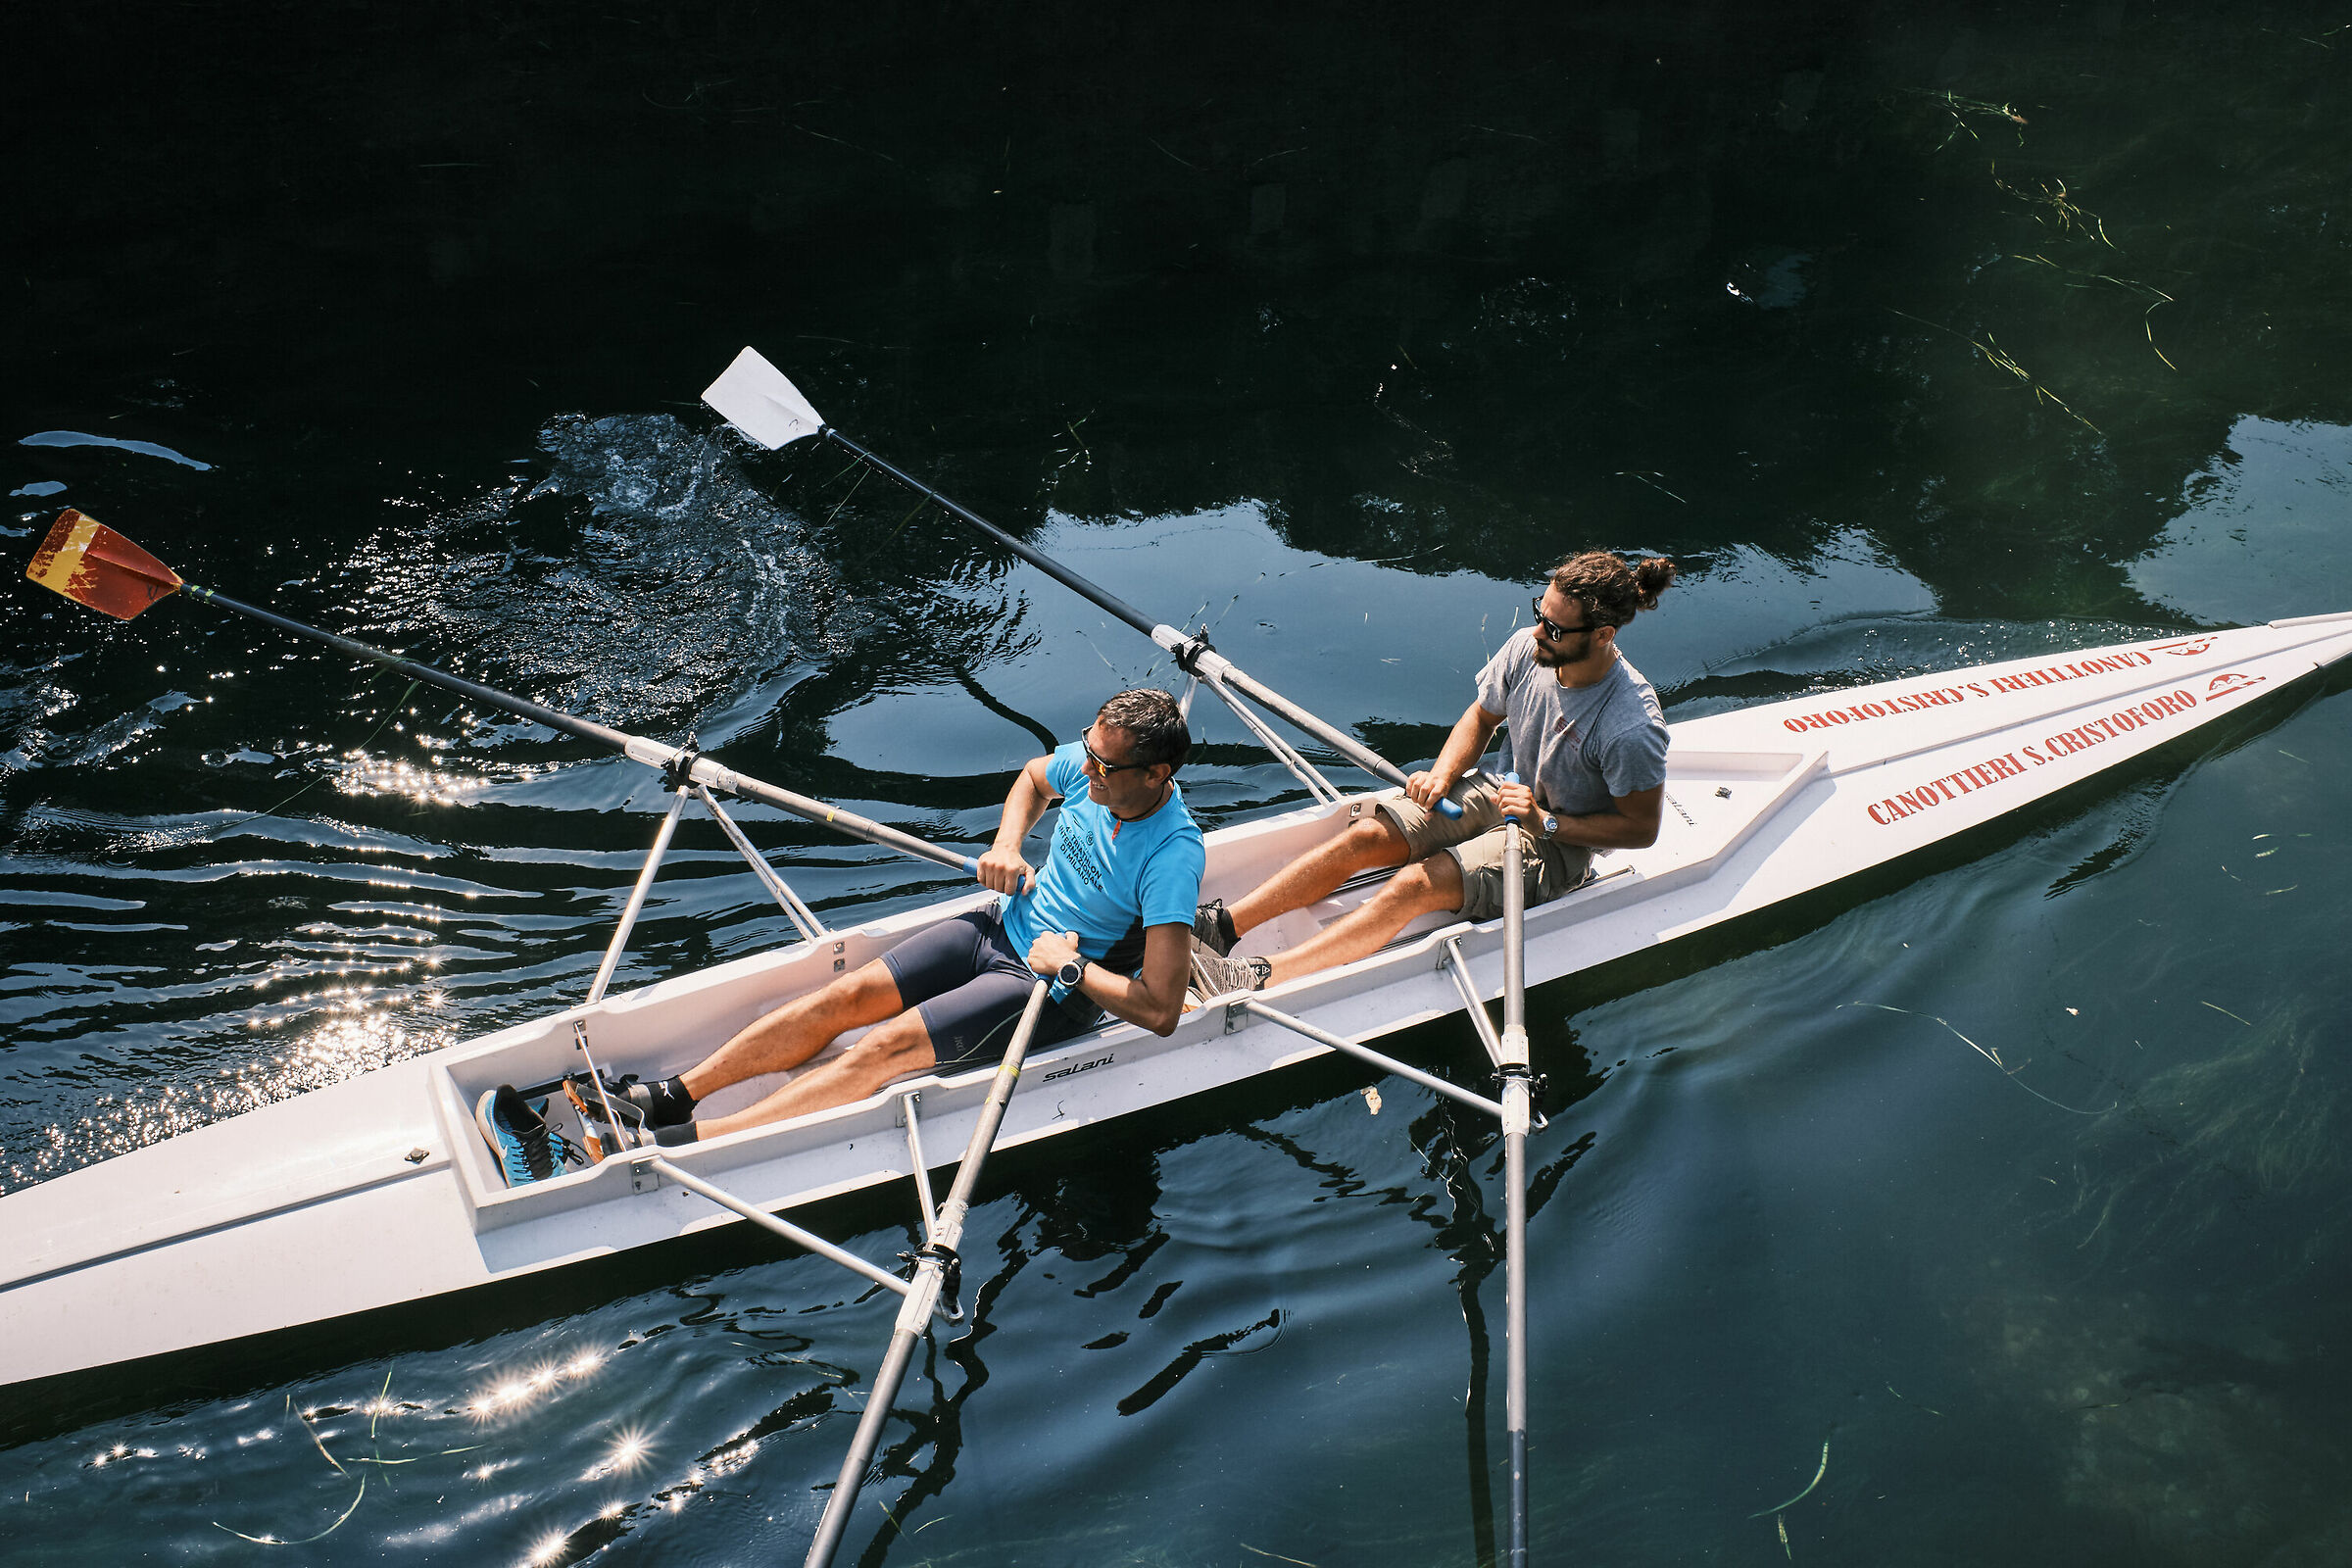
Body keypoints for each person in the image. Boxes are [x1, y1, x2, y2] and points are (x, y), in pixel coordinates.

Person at [476, 688, 1204, 1183]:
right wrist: (1009, 845)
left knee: (881, 1049)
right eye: (1090, 752)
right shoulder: (1095, 762)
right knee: (846, 995)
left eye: (1106, 766)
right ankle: (670, 1095)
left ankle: (668, 1152)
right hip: (998, 924)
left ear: (1158, 773)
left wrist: (1068, 969)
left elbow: (1160, 1009)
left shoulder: (1172, 856)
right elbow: (1033, 778)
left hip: (1047, 984)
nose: (1090, 770)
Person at [1187, 552, 1676, 999]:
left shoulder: (1631, 725)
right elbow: (1482, 717)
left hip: (1559, 840)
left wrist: (1545, 822)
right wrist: (1443, 774)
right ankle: (1223, 927)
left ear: (1602, 635)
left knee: (1414, 885)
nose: (1538, 633)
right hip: (1500, 790)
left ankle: (1259, 974)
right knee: (1365, 837)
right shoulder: (1529, 650)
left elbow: (1641, 830)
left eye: (1555, 629)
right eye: (1538, 614)